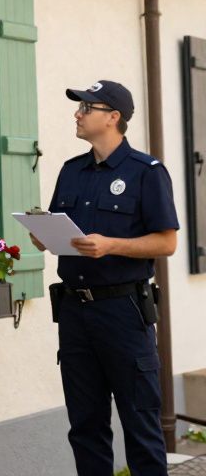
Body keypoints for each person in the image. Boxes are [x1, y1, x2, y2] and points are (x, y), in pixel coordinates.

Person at [34, 80, 178, 476]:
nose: (77, 114)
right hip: (75, 313)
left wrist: (112, 244)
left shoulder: (146, 172)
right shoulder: (72, 171)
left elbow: (166, 243)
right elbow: (63, 230)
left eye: (86, 108)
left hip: (124, 312)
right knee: (85, 426)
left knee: (140, 425)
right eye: (78, 108)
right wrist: (43, 235)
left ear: (113, 117)